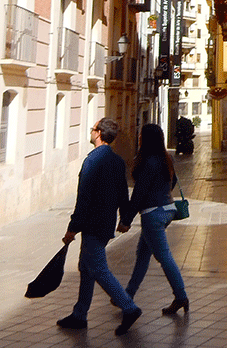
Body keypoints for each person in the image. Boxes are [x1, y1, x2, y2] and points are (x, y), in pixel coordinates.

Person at [58, 118, 142, 336]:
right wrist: (124, 219)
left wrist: (72, 228)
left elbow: (83, 198)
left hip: (92, 224)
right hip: (106, 223)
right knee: (86, 267)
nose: (91, 131)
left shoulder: (92, 160)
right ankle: (79, 314)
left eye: (93, 129)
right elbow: (123, 192)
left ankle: (129, 307)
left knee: (98, 269)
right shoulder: (117, 161)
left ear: (99, 134)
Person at [119, 124, 189, 315]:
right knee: (142, 254)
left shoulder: (147, 162)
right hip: (168, 209)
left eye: (141, 135)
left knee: (164, 257)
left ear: (145, 139)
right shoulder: (167, 158)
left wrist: (126, 220)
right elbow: (173, 181)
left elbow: (139, 194)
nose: (138, 138)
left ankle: (181, 296)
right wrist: (161, 194)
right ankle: (127, 294)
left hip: (153, 214)